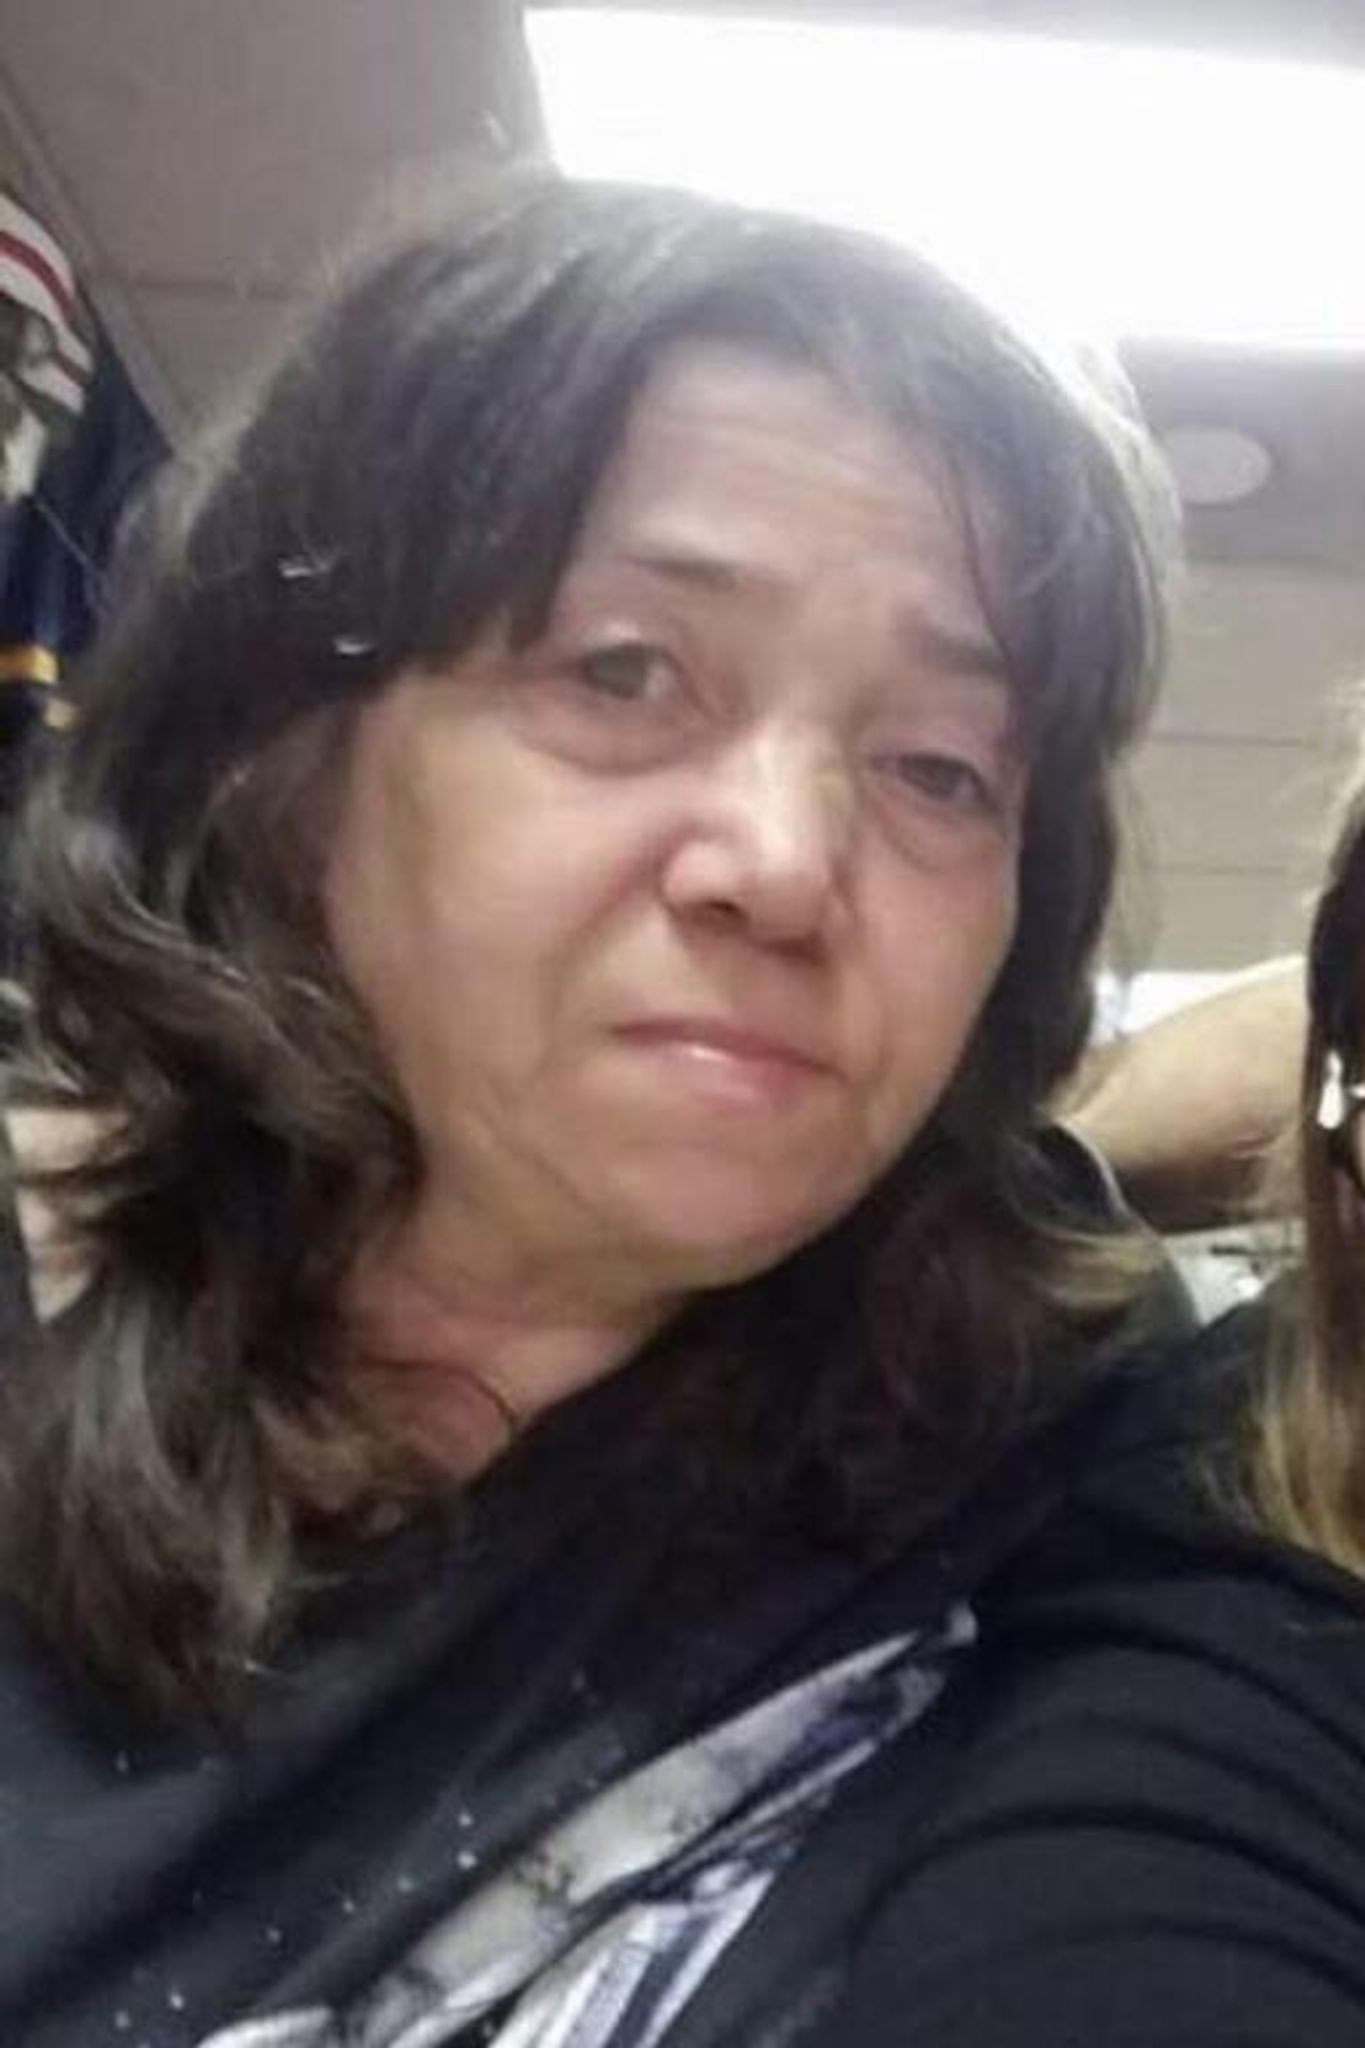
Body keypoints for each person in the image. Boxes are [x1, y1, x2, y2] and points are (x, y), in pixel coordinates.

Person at [1, 171, 1358, 2048]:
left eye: (939, 768)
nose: (784, 865)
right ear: (282, 755)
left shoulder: (1071, 1426)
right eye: (622, 672)